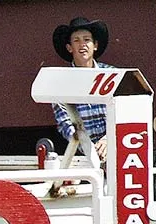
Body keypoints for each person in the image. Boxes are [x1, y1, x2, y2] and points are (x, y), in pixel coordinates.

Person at [50, 16, 114, 161]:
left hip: (116, 147)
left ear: (95, 45)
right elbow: (65, 123)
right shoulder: (60, 84)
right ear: (69, 48)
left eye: (87, 40)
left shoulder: (112, 75)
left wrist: (108, 140)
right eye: (76, 40)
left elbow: (124, 113)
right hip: (83, 157)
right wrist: (89, 149)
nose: (82, 44)